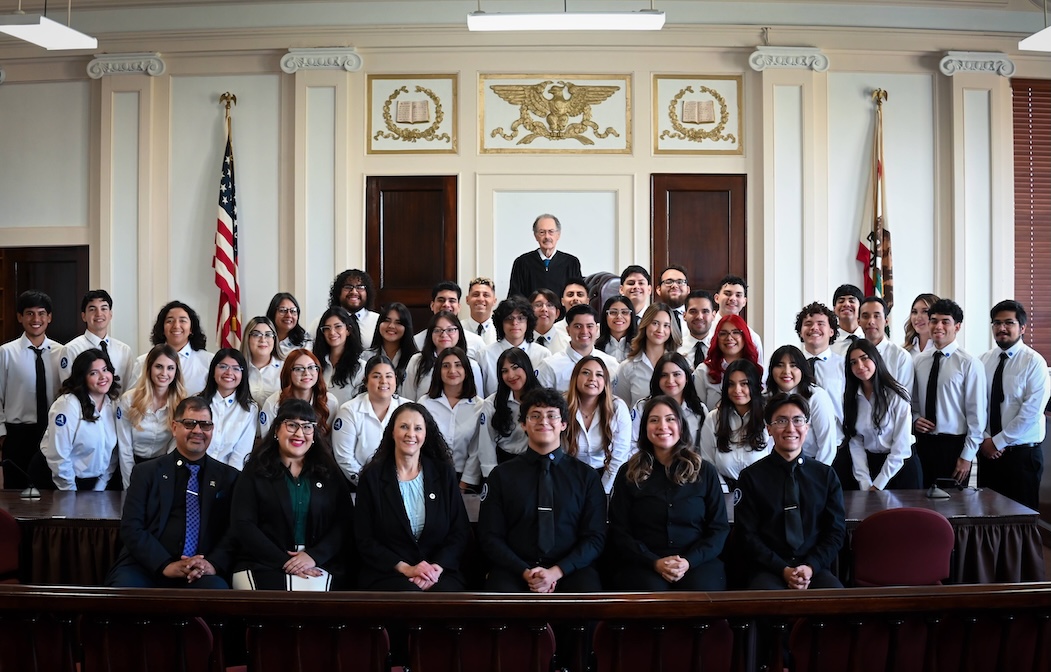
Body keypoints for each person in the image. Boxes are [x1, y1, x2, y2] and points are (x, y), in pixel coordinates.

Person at [478, 387, 606, 593]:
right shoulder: (501, 476)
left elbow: (595, 538)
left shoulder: (586, 477)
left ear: (563, 424)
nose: (543, 421)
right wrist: (525, 571)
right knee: (497, 605)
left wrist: (556, 571)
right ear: (523, 424)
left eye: (551, 416)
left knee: (587, 604)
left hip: (570, 569)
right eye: (535, 416)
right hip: (515, 568)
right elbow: (489, 536)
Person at [105, 396, 239, 589]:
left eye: (205, 425)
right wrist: (164, 564)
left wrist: (212, 563)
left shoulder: (229, 478)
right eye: (190, 424)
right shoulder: (146, 472)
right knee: (125, 589)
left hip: (202, 569)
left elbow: (234, 531)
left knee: (217, 593)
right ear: (174, 428)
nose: (198, 431)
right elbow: (132, 527)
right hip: (146, 565)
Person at [608, 396, 728, 591]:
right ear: (645, 428)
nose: (662, 426)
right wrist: (653, 562)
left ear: (681, 426)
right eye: (654, 420)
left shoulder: (704, 471)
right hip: (644, 562)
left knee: (700, 590)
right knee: (650, 591)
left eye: (670, 419)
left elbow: (719, 529)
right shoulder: (628, 472)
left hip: (697, 561)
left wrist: (689, 561)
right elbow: (620, 531)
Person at [231, 399, 352, 590]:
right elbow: (243, 524)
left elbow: (343, 521)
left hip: (318, 562)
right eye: (292, 425)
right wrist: (283, 561)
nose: (299, 433)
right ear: (277, 430)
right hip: (262, 562)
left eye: (307, 427)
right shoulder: (255, 470)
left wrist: (314, 556)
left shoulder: (328, 471)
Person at [734, 393, 846, 590]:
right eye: (781, 421)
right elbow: (747, 535)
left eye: (798, 420)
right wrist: (783, 569)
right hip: (768, 569)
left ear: (807, 427)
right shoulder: (750, 477)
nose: (790, 428)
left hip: (814, 568)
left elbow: (835, 532)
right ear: (769, 429)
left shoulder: (825, 476)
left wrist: (811, 566)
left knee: (838, 602)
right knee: (765, 600)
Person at [355, 403, 470, 590]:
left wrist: (435, 568)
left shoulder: (443, 474)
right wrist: (406, 568)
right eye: (404, 427)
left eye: (418, 428)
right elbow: (364, 539)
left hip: (438, 571)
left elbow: (460, 532)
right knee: (408, 594)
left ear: (426, 434)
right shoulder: (372, 477)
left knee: (445, 595)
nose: (411, 434)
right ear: (392, 432)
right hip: (388, 572)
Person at [978, 300, 1050, 510]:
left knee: (1020, 522)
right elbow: (974, 405)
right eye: (997, 323)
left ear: (1022, 327)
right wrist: (985, 439)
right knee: (987, 521)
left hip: (1022, 457)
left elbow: (1030, 413)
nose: (1002, 328)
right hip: (987, 453)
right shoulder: (982, 361)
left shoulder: (1034, 362)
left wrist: (998, 442)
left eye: (1009, 323)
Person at [911, 299, 987, 487]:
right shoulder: (919, 361)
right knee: (921, 506)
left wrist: (967, 456)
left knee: (951, 508)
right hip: (922, 444)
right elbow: (912, 402)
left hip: (953, 447)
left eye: (945, 321)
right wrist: (915, 418)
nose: (938, 326)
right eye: (934, 321)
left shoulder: (969, 363)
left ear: (957, 326)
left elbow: (977, 415)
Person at [843, 339, 921, 490]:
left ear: (875, 359)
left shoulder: (896, 394)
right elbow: (856, 441)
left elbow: (901, 447)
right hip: (871, 466)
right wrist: (865, 482)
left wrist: (879, 484)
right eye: (853, 362)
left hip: (900, 467)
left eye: (864, 358)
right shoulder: (851, 397)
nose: (859, 366)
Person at [0, 290, 58, 490]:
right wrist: (2, 433)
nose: (36, 319)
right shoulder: (6, 352)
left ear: (49, 317)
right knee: (16, 490)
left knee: (49, 490)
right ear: (20, 317)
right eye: (29, 313)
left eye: (41, 313)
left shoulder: (62, 353)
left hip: (53, 431)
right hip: (17, 433)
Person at [41, 348, 121, 490]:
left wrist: (100, 486)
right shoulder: (67, 405)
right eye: (94, 373)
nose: (103, 376)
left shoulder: (114, 404)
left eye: (105, 369)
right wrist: (70, 491)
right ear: (82, 377)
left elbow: (113, 454)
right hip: (60, 481)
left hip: (97, 484)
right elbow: (59, 457)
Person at [116, 344, 186, 489]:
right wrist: (131, 486)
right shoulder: (129, 400)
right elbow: (125, 449)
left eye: (170, 368)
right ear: (149, 368)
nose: (164, 373)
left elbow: (174, 447)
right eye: (159, 366)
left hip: (163, 467)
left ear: (176, 372)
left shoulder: (181, 403)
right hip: (131, 465)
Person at [332, 355, 408, 486]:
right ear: (365, 381)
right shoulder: (349, 411)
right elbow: (344, 458)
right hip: (363, 485)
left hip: (403, 482)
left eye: (389, 376)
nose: (384, 381)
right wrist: (371, 484)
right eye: (377, 376)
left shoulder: (408, 409)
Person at [419, 347, 488, 491]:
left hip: (465, 479)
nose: (452, 370)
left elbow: (477, 450)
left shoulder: (479, 406)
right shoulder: (425, 403)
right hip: (430, 476)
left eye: (458, 365)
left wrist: (463, 485)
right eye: (446, 366)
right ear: (438, 371)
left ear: (466, 370)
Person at [699, 359, 771, 493]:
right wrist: (724, 493)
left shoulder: (767, 418)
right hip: (724, 492)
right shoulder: (714, 418)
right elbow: (708, 462)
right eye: (731, 384)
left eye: (744, 384)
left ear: (754, 386)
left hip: (762, 492)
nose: (737, 390)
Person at [564, 356, 631, 494]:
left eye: (599, 375)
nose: (592, 378)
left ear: (605, 381)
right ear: (575, 377)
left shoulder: (617, 407)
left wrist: (602, 491)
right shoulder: (562, 404)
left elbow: (619, 456)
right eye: (586, 373)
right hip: (568, 476)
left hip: (606, 475)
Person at [764, 345, 836, 466]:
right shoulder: (765, 399)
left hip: (811, 464)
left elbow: (827, 445)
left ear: (802, 369)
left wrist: (815, 476)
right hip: (774, 466)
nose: (786, 371)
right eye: (780, 365)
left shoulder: (816, 396)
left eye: (793, 365)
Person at [629, 352, 708, 452]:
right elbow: (633, 445)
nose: (670, 381)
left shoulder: (699, 409)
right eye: (664, 375)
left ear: (687, 378)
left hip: (690, 465)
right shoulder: (642, 407)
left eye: (676, 374)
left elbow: (704, 450)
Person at [131, 301, 213, 395]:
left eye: (182, 321)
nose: (176, 326)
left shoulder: (208, 361)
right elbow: (131, 399)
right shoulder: (143, 361)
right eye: (169, 321)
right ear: (162, 328)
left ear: (191, 329)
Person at [57, 289, 132, 387]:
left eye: (104, 308)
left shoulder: (124, 350)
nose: (99, 314)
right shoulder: (71, 349)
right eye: (92, 309)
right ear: (83, 316)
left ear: (110, 314)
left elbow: (128, 389)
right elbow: (69, 388)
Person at [536, 304, 619, 393]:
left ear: (597, 329)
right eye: (578, 326)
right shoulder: (550, 366)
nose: (584, 331)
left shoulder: (611, 364)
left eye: (589, 326)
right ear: (568, 330)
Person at [477, 297, 550, 396]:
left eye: (520, 318)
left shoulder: (543, 354)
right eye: (509, 319)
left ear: (528, 322)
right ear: (500, 323)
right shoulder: (484, 355)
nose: (515, 323)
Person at [402, 311, 483, 402]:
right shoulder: (417, 361)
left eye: (450, 330)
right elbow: (407, 399)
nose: (444, 335)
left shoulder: (472, 365)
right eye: (437, 330)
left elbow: (477, 403)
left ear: (459, 332)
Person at [198, 349, 257, 471]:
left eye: (236, 368)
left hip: (227, 475)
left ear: (243, 374)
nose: (229, 372)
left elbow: (240, 455)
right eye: (223, 367)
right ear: (213, 371)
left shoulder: (250, 409)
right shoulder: (197, 402)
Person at [794, 301, 846, 441]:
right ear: (800, 331)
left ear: (831, 331)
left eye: (820, 323)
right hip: (797, 445)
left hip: (837, 444)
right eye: (808, 324)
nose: (814, 328)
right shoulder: (789, 367)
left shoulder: (844, 366)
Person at [481, 347, 542, 465]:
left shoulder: (543, 400)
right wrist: (491, 475)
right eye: (504, 371)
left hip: (537, 462)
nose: (511, 375)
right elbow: (486, 444)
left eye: (515, 368)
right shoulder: (492, 403)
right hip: (504, 462)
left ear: (526, 368)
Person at [258, 349, 338, 436]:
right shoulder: (273, 404)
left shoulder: (330, 402)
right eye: (299, 369)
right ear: (288, 372)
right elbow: (268, 442)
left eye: (311, 367)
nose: (306, 373)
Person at [615, 303, 680, 408]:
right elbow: (621, 408)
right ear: (645, 324)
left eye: (666, 325)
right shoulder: (627, 367)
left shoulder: (679, 365)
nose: (660, 330)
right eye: (655, 323)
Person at [507, 214, 583, 301]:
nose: (547, 236)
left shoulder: (571, 262)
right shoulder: (522, 263)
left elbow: (577, 296)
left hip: (562, 314)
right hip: (531, 313)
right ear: (535, 236)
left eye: (551, 232)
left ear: (558, 235)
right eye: (542, 232)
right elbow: (515, 297)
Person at [694, 313, 762, 411]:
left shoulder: (757, 369)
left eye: (736, 332)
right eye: (723, 333)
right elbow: (698, 411)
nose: (729, 338)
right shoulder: (703, 371)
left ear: (745, 336)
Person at [412, 281, 485, 359]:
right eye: (441, 300)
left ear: (459, 306)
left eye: (452, 301)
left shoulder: (476, 342)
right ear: (432, 305)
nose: (446, 305)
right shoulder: (417, 340)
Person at [313, 306, 365, 408]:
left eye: (338, 326)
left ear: (348, 330)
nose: (332, 332)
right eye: (327, 328)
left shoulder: (360, 367)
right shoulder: (315, 363)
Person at [859, 296, 915, 392]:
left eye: (877, 316)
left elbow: (904, 397)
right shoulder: (854, 355)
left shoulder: (901, 356)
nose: (871, 321)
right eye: (865, 316)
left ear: (886, 321)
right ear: (858, 321)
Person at [364, 302, 418, 395]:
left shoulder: (416, 360)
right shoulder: (366, 356)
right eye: (387, 320)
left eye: (398, 322)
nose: (391, 326)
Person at [712, 275, 763, 363]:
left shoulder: (753, 338)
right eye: (727, 294)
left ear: (744, 302)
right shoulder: (704, 330)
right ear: (717, 298)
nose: (732, 298)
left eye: (738, 295)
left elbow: (758, 372)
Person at [327, 269, 380, 350]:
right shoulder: (324, 321)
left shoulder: (378, 321)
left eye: (360, 287)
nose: (354, 292)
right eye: (348, 287)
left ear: (367, 292)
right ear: (338, 292)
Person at [240, 316, 283, 408]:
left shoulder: (286, 367)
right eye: (256, 334)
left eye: (268, 335)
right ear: (248, 338)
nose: (263, 339)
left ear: (274, 339)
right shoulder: (237, 368)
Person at [266, 292, 313, 358]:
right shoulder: (263, 339)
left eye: (293, 311)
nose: (288, 315)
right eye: (283, 310)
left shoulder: (305, 341)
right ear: (273, 313)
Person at [678, 290, 716, 368]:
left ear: (713, 315)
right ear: (684, 315)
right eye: (693, 311)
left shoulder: (721, 347)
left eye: (705, 311)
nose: (699, 317)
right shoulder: (675, 348)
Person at [595, 295, 637, 363]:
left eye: (624, 312)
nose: (619, 316)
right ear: (605, 316)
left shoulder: (640, 345)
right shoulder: (595, 345)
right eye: (613, 312)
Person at [460, 277, 498, 346]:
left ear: (494, 301)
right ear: (467, 299)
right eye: (476, 295)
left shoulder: (500, 330)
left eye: (486, 295)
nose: (481, 299)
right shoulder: (458, 329)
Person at [530, 289, 570, 353]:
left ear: (557, 313)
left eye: (549, 305)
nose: (544, 309)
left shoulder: (568, 344)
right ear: (530, 311)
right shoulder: (520, 342)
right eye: (538, 305)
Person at [830, 283, 864, 355]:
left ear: (861, 308)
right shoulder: (828, 342)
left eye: (851, 301)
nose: (846, 304)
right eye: (841, 301)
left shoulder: (869, 337)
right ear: (834, 309)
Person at [903, 293, 940, 357]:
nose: (918, 317)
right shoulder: (903, 352)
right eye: (914, 312)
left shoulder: (943, 351)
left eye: (925, 311)